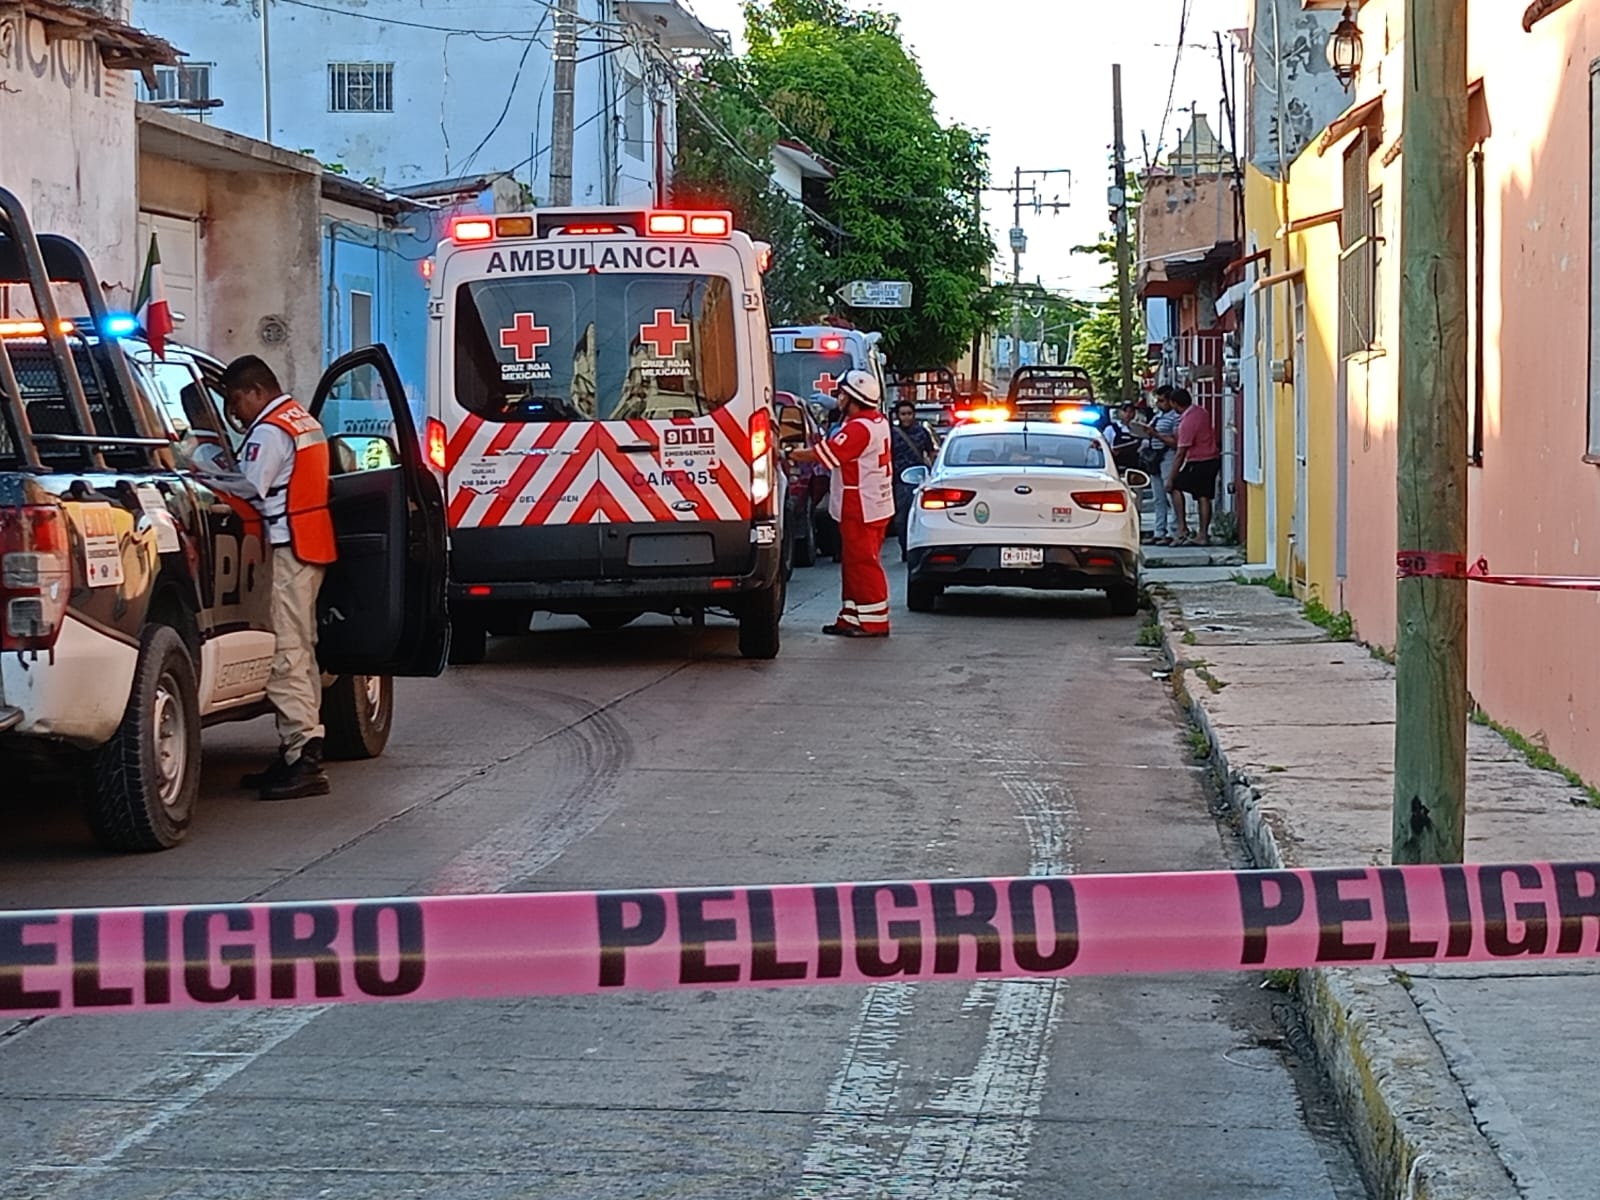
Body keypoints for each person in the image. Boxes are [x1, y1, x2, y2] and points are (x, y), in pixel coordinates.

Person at [220, 355, 339, 800]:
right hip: (308, 546)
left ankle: (303, 755)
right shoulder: (300, 419)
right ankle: (297, 750)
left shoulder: (269, 432)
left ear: (255, 391)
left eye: (235, 401)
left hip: (286, 551)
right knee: (300, 649)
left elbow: (245, 493)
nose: (234, 413)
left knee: (286, 652)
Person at [785, 369, 894, 637]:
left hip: (860, 505)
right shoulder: (874, 421)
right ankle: (852, 616)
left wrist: (788, 453)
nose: (838, 398)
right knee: (853, 562)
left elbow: (826, 455)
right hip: (872, 503)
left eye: (842, 394)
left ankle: (874, 621)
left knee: (863, 564)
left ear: (852, 396)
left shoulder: (858, 428)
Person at [1169, 385, 1222, 547]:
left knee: (1175, 487)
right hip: (1212, 459)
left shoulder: (1186, 422)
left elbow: (1180, 452)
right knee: (1204, 496)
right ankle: (1203, 534)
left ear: (1175, 403)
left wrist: (1170, 477)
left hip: (1197, 461)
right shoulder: (1201, 412)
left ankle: (1182, 527)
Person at [889, 399, 936, 560]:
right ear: (898, 416)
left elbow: (931, 453)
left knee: (921, 516)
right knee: (901, 518)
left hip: (920, 480)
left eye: (909, 414)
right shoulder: (891, 433)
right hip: (899, 481)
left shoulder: (922, 432)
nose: (906, 417)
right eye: (903, 414)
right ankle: (904, 548)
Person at [1142, 388, 1183, 545]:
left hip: (1168, 457)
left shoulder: (1176, 418)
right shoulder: (1158, 416)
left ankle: (1174, 530)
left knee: (1170, 493)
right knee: (1158, 498)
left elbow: (1176, 441)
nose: (1158, 404)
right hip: (1154, 458)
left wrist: (1156, 434)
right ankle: (1159, 531)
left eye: (1162, 401)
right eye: (1157, 401)